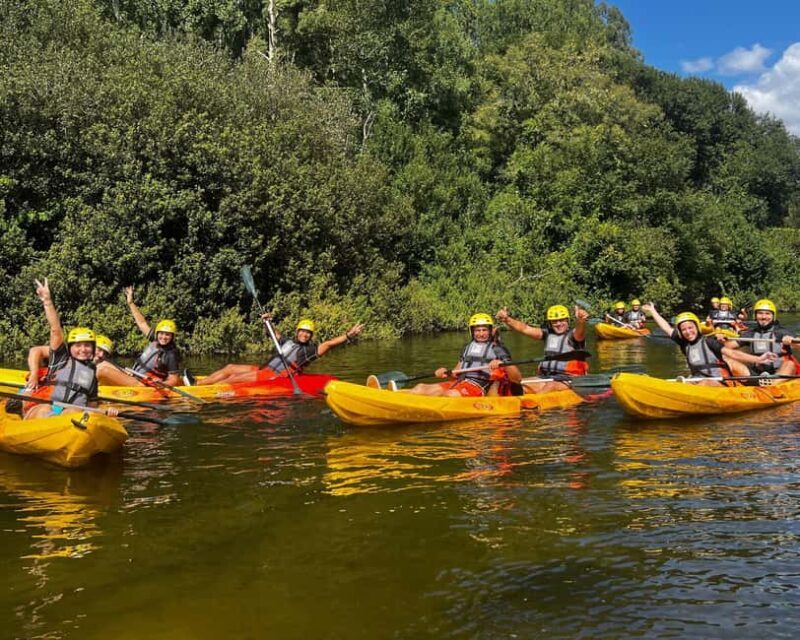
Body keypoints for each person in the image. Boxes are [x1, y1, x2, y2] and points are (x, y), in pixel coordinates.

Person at [21, 278, 117, 419]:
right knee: (44, 409)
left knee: (75, 412)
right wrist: (47, 301)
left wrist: (106, 412)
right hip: (43, 408)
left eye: (87, 346)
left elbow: (91, 407)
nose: (83, 349)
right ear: (70, 348)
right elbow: (55, 330)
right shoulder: (61, 359)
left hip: (70, 416)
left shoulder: (92, 374)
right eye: (78, 346)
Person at [198, 316, 364, 385]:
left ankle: (205, 390)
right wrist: (267, 321)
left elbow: (329, 344)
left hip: (274, 376)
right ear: (297, 331)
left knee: (233, 378)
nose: (304, 335)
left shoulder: (308, 351)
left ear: (310, 336)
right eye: (302, 331)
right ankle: (199, 383)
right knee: (230, 367)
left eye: (308, 333)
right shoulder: (287, 341)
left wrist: (348, 335)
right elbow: (273, 333)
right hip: (264, 369)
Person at [643, 303, 775, 386]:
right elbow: (666, 328)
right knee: (687, 383)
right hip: (697, 379)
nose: (688, 332)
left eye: (690, 327)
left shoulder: (709, 342)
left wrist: (758, 359)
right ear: (680, 332)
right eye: (684, 329)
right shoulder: (683, 343)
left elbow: (733, 353)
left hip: (719, 381)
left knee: (704, 383)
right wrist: (653, 311)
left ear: (697, 327)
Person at [405, 313, 520, 397]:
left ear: (490, 331)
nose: (481, 334)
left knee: (450, 395)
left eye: (484, 330)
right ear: (472, 331)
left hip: (479, 387)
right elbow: (456, 373)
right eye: (477, 330)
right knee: (420, 388)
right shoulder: (467, 347)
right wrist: (445, 373)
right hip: (460, 383)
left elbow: (517, 378)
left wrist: (503, 364)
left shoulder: (498, 348)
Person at [96, 287, 182, 386]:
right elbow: (141, 323)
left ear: (172, 336)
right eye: (161, 333)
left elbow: (174, 379)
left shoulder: (170, 355)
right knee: (102, 364)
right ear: (157, 333)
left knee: (102, 370)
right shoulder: (155, 340)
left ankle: (87, 390)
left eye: (167, 335)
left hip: (143, 385)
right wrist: (130, 303)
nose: (163, 337)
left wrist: (162, 383)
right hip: (134, 375)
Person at [496, 305, 589, 393]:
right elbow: (525, 329)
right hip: (546, 377)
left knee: (551, 386)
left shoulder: (575, 336)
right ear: (550, 323)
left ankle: (535, 405)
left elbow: (580, 332)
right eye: (554, 321)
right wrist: (507, 319)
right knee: (519, 384)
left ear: (567, 320)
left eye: (562, 320)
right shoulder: (547, 334)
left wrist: (581, 321)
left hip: (569, 379)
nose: (559, 324)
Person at [723, 299, 799, 381]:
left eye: (767, 314)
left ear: (773, 316)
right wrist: (720, 341)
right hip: (757, 374)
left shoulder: (782, 332)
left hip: (780, 372)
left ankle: (772, 385)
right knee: (728, 360)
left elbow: (798, 342)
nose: (763, 317)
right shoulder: (750, 334)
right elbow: (726, 347)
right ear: (755, 316)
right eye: (760, 313)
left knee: (790, 364)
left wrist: (792, 341)